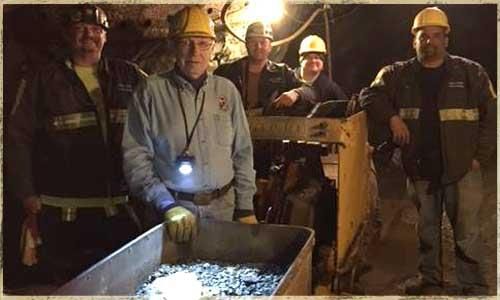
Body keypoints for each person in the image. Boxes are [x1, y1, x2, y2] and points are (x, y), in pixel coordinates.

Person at [5, 4, 147, 285]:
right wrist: (27, 195)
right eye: (81, 29)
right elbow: (17, 138)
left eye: (96, 29)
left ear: (105, 36)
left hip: (117, 207)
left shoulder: (129, 76)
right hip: (62, 212)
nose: (89, 35)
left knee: (122, 284)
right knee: (70, 286)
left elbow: (160, 119)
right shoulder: (41, 79)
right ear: (68, 35)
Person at [359, 7, 496, 295]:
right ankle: (430, 280)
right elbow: (368, 94)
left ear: (446, 39)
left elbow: (492, 116)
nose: (429, 42)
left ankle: (473, 285)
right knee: (427, 231)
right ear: (414, 40)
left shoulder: (471, 72)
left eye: (436, 36)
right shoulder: (399, 74)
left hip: (462, 168)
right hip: (420, 168)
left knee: (467, 234)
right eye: (423, 36)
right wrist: (393, 117)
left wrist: (479, 158)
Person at [122, 5, 258, 244]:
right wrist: (167, 205)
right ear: (173, 46)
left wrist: (245, 207)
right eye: (186, 42)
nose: (195, 52)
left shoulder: (226, 91)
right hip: (173, 215)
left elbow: (242, 153)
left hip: (224, 212)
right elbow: (136, 158)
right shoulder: (150, 92)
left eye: (203, 43)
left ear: (213, 47)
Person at [214, 21, 316, 114]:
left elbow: (311, 92)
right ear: (246, 45)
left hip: (268, 130)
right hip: (233, 127)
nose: (258, 46)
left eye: (263, 42)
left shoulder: (282, 72)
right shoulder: (226, 71)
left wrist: (296, 93)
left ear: (270, 46)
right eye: (253, 42)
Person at [274, 34, 347, 112]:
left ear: (322, 63)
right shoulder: (287, 78)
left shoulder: (329, 88)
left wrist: (297, 93)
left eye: (317, 57)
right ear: (301, 61)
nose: (313, 61)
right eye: (309, 57)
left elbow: (346, 108)